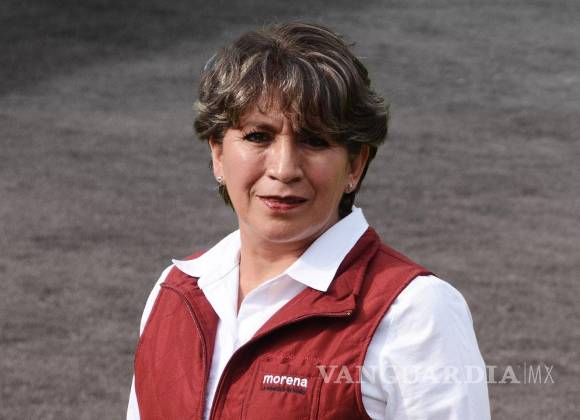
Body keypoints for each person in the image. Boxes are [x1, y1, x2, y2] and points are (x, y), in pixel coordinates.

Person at [127, 22, 490, 419]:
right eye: (258, 136)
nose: (284, 169)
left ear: (355, 165)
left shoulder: (417, 312)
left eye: (315, 140)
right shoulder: (173, 292)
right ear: (217, 153)